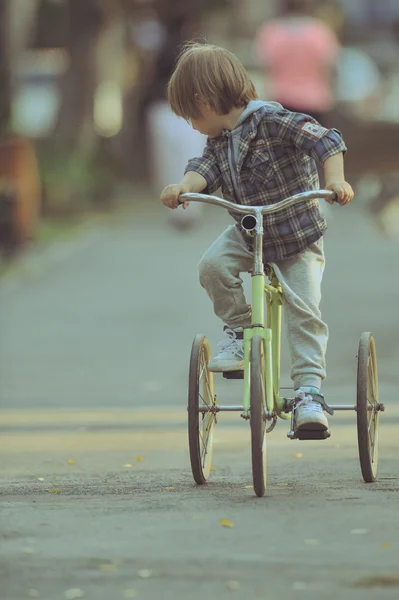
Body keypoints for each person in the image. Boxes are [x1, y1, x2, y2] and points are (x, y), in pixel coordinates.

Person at [160, 43, 354, 436]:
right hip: (250, 233)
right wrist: (183, 186)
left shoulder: (272, 119)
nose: (192, 126)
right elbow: (205, 167)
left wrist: (335, 181)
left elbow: (326, 141)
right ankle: (241, 330)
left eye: (190, 116)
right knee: (212, 266)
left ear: (204, 100)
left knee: (304, 310)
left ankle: (308, 394)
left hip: (297, 237)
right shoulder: (221, 138)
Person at [254, 0, 340, 127]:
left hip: (281, 101)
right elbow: (328, 68)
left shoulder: (271, 32)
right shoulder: (319, 31)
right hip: (314, 102)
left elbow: (266, 68)